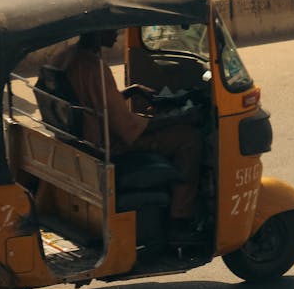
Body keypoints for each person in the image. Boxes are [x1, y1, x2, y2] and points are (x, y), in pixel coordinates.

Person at [51, 29, 204, 242]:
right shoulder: (95, 68)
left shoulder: (64, 57)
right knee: (188, 139)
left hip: (81, 139)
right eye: (112, 28)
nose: (117, 33)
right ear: (96, 32)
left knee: (154, 121)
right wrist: (180, 118)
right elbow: (127, 129)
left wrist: (129, 92)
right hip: (105, 145)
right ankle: (179, 220)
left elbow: (93, 102)